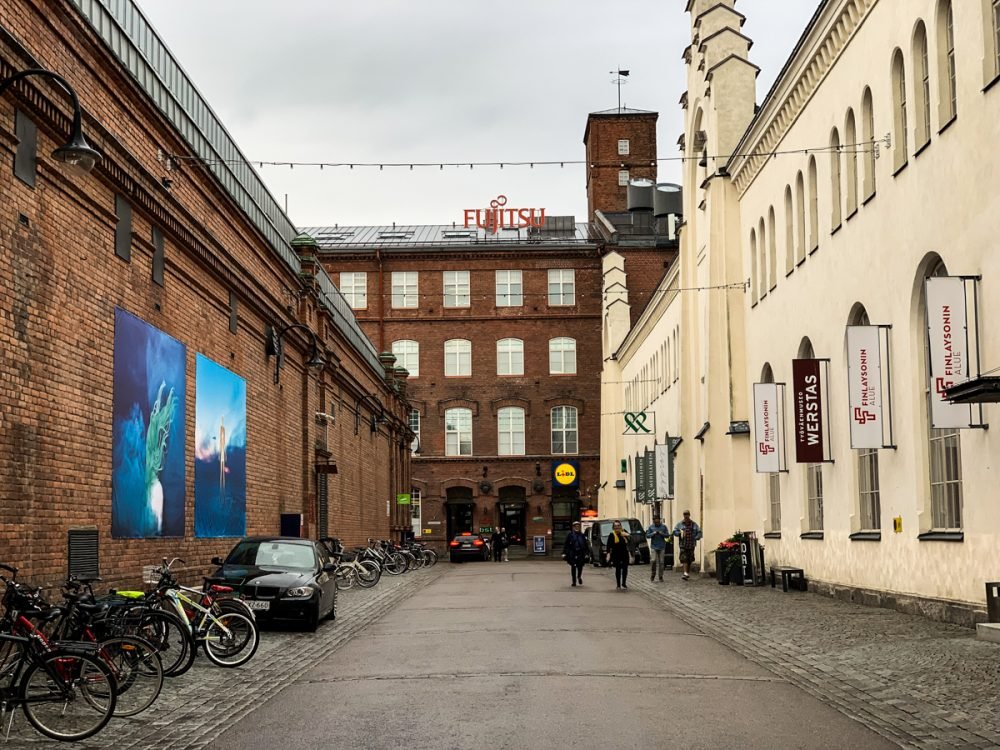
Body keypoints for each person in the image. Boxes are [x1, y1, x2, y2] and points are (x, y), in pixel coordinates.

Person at [672, 510, 703, 581]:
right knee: (684, 558)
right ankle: (685, 573)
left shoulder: (694, 524)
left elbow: (699, 532)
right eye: (685, 514)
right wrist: (679, 533)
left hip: (691, 544)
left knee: (690, 559)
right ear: (683, 515)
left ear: (689, 515)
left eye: (687, 514)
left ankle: (687, 573)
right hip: (683, 544)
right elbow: (674, 531)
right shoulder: (680, 524)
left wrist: (696, 537)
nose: (686, 516)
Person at [562, 521, 589, 586]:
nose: (577, 527)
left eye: (578, 526)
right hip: (573, 553)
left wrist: (586, 553)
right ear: (573, 527)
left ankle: (579, 576)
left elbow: (585, 545)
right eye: (575, 526)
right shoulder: (570, 535)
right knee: (573, 567)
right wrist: (564, 553)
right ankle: (574, 581)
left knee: (580, 566)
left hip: (580, 553)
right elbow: (566, 544)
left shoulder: (582, 535)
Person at [606, 520, 631, 590]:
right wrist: (608, 554)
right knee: (618, 569)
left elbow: (630, 540)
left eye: (618, 526)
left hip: (624, 553)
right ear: (613, 527)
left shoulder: (623, 532)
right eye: (615, 526)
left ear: (620, 526)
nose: (617, 527)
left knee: (625, 568)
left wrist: (627, 535)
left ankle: (624, 583)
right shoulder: (612, 535)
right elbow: (608, 546)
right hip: (616, 554)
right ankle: (618, 584)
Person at [645, 514, 671, 582]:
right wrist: (653, 533)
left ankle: (660, 576)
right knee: (653, 560)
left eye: (658, 521)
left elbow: (667, 535)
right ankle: (653, 574)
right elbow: (647, 536)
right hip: (654, 546)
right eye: (655, 522)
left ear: (660, 520)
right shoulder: (651, 527)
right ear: (653, 521)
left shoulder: (664, 527)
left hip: (662, 546)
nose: (657, 523)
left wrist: (662, 533)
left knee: (661, 562)